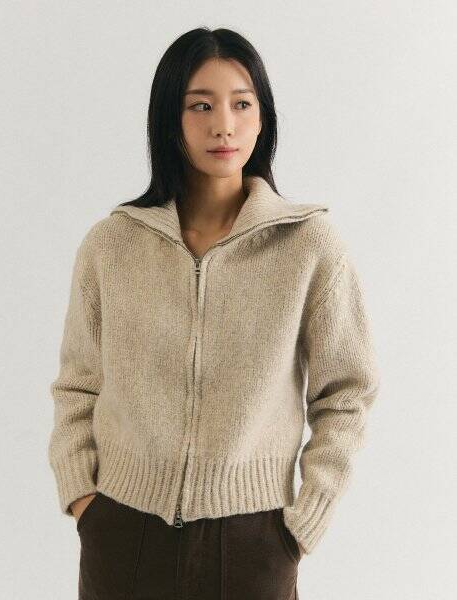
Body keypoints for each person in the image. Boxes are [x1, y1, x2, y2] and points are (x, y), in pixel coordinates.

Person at [48, 26, 380, 600]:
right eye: (200, 105)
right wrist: (84, 499)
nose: (223, 124)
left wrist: (303, 523)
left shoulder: (309, 246)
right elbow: (78, 384)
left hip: (253, 541)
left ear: (262, 117)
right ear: (168, 119)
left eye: (241, 104)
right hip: (123, 531)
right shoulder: (112, 244)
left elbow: (347, 393)